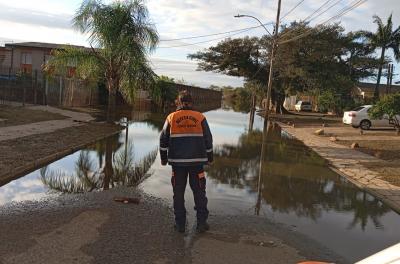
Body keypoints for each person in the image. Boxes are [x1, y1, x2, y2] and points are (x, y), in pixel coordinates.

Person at [159, 90, 213, 233]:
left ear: (179, 102)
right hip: (197, 163)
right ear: (191, 102)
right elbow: (208, 139)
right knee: (199, 192)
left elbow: (162, 140)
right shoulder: (200, 117)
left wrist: (164, 159)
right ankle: (201, 223)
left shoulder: (171, 117)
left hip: (177, 164)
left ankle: (180, 225)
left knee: (178, 193)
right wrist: (210, 158)